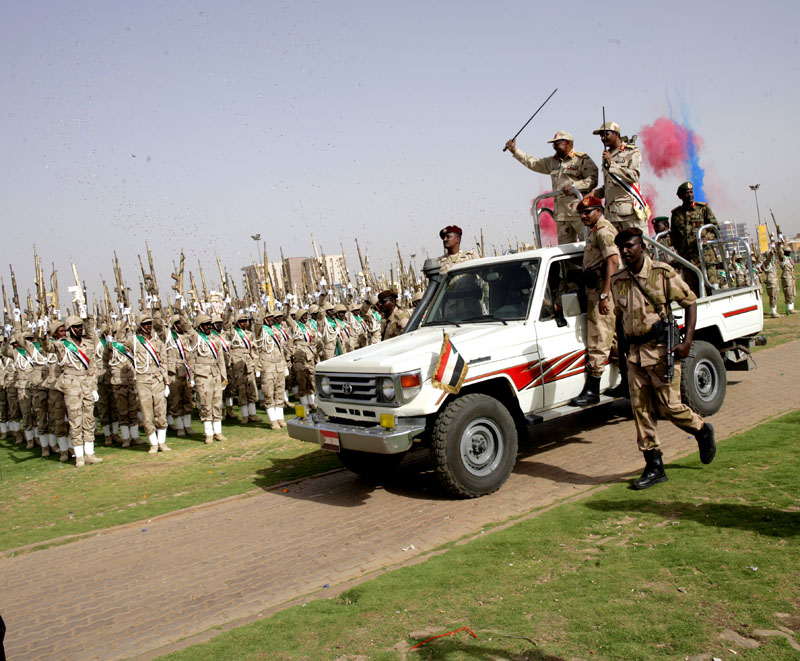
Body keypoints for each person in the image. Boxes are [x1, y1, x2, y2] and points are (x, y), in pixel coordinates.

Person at [611, 228, 716, 489]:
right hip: (634, 355)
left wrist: (687, 341)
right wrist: (623, 359)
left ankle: (702, 431)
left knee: (670, 406)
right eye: (622, 247)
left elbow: (690, 302)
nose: (625, 251)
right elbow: (619, 319)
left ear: (642, 246)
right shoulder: (618, 280)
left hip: (660, 351)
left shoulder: (662, 273)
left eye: (630, 245)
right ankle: (654, 465)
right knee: (641, 410)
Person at [505, 131, 598, 243]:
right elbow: (533, 163)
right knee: (564, 251)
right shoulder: (552, 162)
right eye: (553, 144)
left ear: (568, 143)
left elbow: (593, 179)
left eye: (557, 143)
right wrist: (515, 151)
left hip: (579, 212)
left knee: (589, 244)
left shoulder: (581, 159)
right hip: (561, 215)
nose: (554, 147)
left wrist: (574, 186)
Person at [570, 196, 619, 406]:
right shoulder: (594, 232)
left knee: (599, 338)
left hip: (601, 291)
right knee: (614, 339)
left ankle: (592, 390)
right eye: (581, 213)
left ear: (598, 211)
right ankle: (626, 380)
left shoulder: (603, 231)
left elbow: (613, 261)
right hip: (595, 289)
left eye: (587, 212)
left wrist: (604, 294)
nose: (583, 216)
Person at [50, 315, 103, 468]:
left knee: (89, 419)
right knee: (75, 420)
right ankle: (79, 456)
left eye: (81, 326)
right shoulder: (63, 345)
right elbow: (48, 346)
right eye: (76, 327)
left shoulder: (87, 344)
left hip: (86, 383)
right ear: (69, 329)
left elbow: (92, 368)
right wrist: (41, 335)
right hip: (72, 384)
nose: (80, 329)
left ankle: (90, 453)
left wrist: (94, 388)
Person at [127, 312, 171, 454]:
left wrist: (167, 383)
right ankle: (153, 443)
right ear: (140, 326)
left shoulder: (158, 343)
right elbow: (117, 340)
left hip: (157, 379)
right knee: (147, 414)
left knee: (161, 412)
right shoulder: (134, 341)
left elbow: (164, 363)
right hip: (142, 380)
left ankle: (162, 443)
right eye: (145, 324)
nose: (148, 326)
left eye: (149, 323)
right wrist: (125, 318)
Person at [592, 122, 646, 232]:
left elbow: (634, 176)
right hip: (611, 215)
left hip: (630, 214)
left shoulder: (631, 151)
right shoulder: (607, 155)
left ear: (616, 134)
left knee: (638, 246)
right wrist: (594, 195)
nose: (603, 138)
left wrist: (611, 164)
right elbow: (609, 185)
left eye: (606, 134)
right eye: (601, 136)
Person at [669, 182, 721, 295]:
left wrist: (706, 238)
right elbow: (674, 236)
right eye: (687, 193)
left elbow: (715, 229)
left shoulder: (703, 209)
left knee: (712, 289)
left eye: (691, 192)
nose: (690, 195)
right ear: (680, 196)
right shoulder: (676, 214)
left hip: (705, 257)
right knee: (693, 293)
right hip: (687, 260)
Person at [187, 314, 228, 444]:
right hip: (202, 375)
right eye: (204, 325)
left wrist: (224, 376)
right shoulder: (196, 338)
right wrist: (192, 378)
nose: (207, 327)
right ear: (199, 326)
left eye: (209, 325)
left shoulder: (215, 339)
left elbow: (221, 359)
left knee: (217, 402)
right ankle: (208, 433)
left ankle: (218, 432)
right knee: (205, 403)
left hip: (215, 374)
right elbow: (191, 359)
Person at [229, 312, 259, 423]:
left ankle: (253, 414)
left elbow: (253, 351)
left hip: (249, 363)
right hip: (238, 364)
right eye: (241, 321)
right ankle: (245, 415)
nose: (244, 323)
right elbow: (227, 325)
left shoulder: (249, 334)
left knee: (251, 388)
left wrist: (255, 364)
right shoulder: (233, 333)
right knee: (241, 389)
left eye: (245, 321)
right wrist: (229, 312)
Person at [777, 241, 796, 314]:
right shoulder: (783, 258)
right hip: (786, 276)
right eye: (787, 251)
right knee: (788, 292)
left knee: (793, 292)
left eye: (789, 251)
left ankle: (792, 307)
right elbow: (779, 253)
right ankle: (789, 308)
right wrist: (779, 245)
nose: (789, 253)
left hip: (791, 276)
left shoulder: (790, 259)